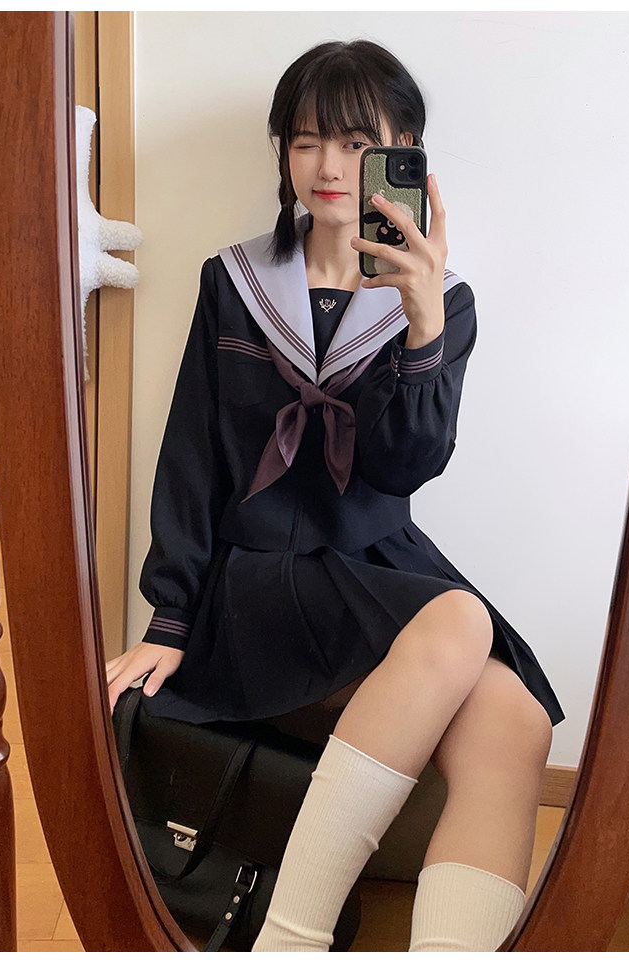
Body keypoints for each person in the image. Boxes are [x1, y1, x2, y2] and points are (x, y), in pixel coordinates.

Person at [106, 39, 564, 952]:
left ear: (406, 153)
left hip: (371, 565)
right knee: (461, 619)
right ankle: (291, 942)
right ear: (282, 149)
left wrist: (422, 324)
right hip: (259, 572)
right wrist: (169, 618)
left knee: (513, 719)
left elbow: (406, 467)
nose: (328, 166)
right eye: (306, 139)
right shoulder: (234, 281)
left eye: (358, 144)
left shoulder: (442, 301)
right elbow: (192, 456)